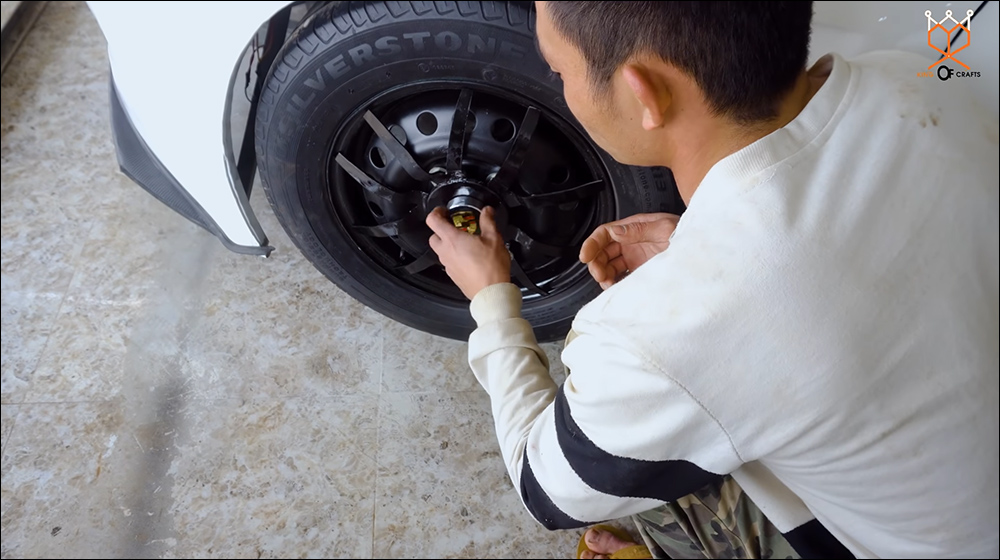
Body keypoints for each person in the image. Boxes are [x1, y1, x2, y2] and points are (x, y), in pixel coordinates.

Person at [425, 1, 999, 558]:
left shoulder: (657, 341)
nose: (559, 83)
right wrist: (697, 248)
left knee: (632, 460)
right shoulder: (921, 76)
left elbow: (545, 487)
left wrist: (492, 301)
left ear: (642, 92)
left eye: (559, 69)